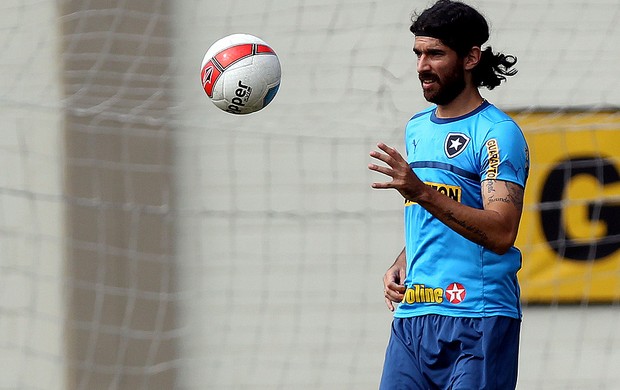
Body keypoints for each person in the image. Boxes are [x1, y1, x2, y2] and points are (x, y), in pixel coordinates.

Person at [367, 1, 529, 389]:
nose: (422, 65)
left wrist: (420, 192)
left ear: (471, 57)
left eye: (435, 53)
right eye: (418, 54)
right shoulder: (418, 128)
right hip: (414, 316)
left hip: (478, 316)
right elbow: (436, 215)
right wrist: (402, 260)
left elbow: (501, 232)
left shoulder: (496, 133)